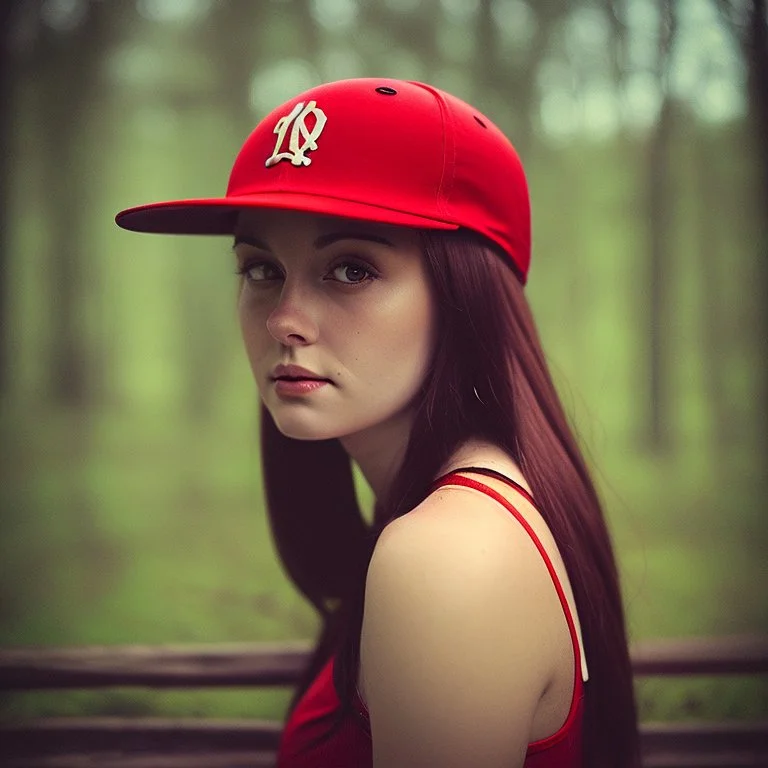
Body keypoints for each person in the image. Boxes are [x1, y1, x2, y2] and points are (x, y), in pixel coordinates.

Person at [116, 78, 639, 767]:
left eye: (351, 269)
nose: (284, 319)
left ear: (465, 299)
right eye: (261, 269)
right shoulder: (468, 513)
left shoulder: (446, 555)